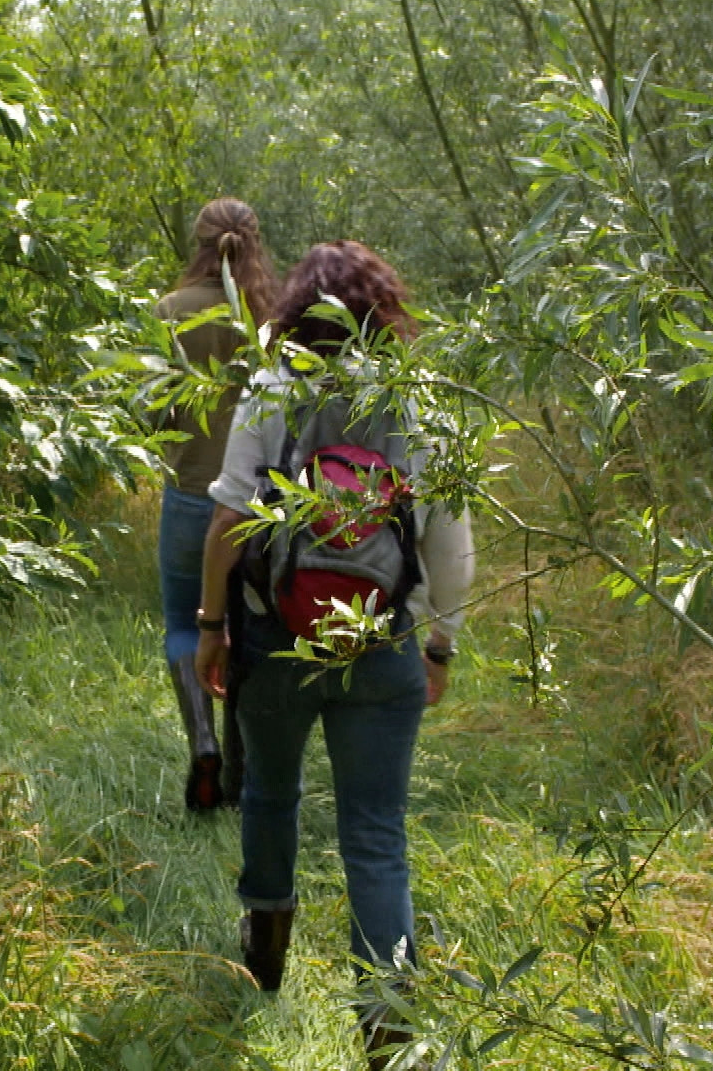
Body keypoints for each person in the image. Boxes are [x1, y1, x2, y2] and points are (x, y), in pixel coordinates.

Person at [193, 241, 475, 1065]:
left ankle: (265, 961)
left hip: (277, 640)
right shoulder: (420, 400)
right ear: (387, 309)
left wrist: (213, 626)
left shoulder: (275, 386)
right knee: (376, 833)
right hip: (381, 640)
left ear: (293, 307)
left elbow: (227, 519)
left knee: (271, 796)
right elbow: (451, 542)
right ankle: (386, 1031)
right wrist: (440, 644)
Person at [153, 198, 279, 813]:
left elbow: (152, 411)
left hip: (189, 494)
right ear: (255, 243)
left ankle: (203, 742)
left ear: (196, 243)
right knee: (252, 631)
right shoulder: (275, 317)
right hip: (262, 507)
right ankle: (241, 771)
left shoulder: (171, 312)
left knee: (186, 623)